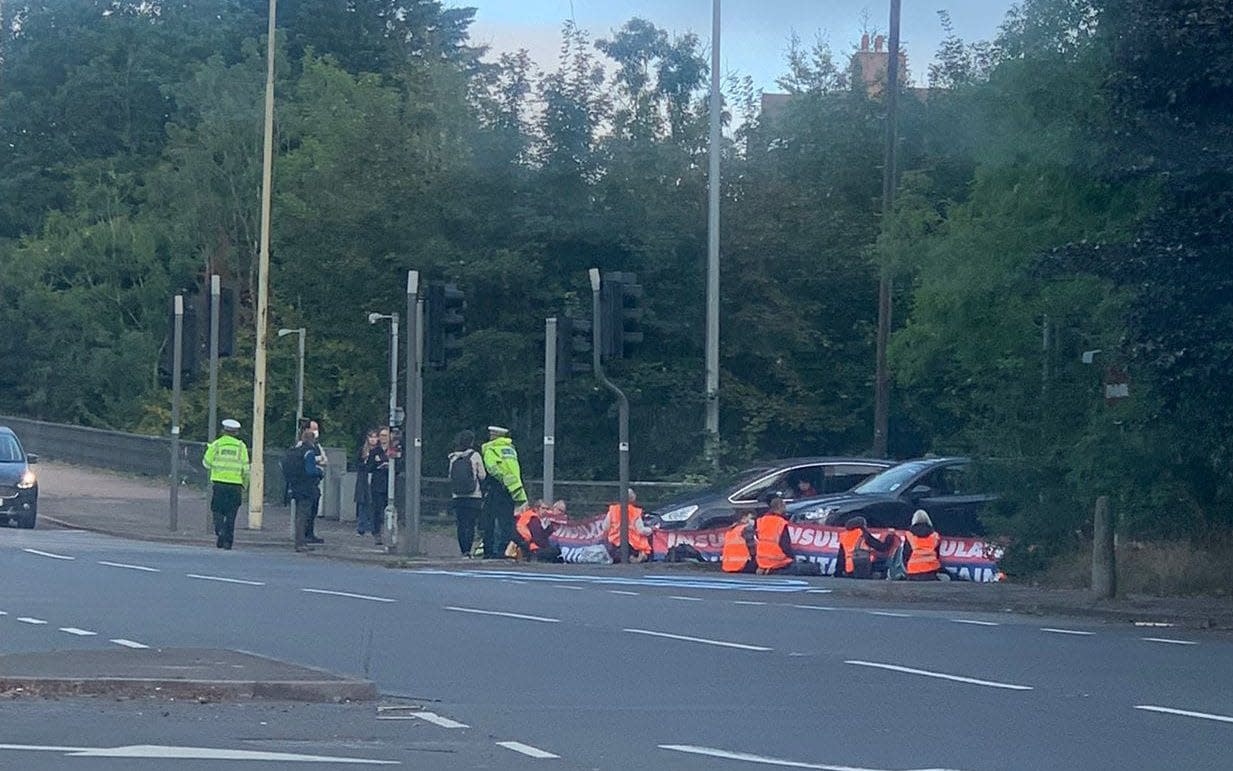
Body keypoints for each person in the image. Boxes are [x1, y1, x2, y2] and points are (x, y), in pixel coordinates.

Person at [202, 418, 250, 550]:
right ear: (236, 432)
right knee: (231, 513)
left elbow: (206, 463)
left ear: (224, 430)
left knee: (217, 510)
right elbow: (246, 470)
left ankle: (220, 531)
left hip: (219, 483)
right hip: (235, 485)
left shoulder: (216, 445)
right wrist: (245, 485)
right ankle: (228, 541)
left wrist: (216, 467)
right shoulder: (241, 447)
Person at [481, 426, 527, 559]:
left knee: (489, 519)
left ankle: (489, 550)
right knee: (507, 520)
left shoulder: (491, 449)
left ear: (493, 436)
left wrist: (502, 479)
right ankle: (506, 549)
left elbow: (492, 468)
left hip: (496, 488)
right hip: (511, 489)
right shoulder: (511, 450)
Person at [448, 429, 486, 558]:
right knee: (470, 524)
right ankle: (468, 551)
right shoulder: (475, 456)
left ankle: (462, 549)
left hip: (457, 496)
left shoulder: (453, 457)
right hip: (473, 496)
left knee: (461, 524)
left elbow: (450, 476)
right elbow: (482, 475)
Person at [290, 428, 324, 551]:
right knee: (303, 515)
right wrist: (319, 472)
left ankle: (299, 541)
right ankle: (300, 543)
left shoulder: (296, 451)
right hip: (307, 488)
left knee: (299, 514)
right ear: (312, 440)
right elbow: (311, 471)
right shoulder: (309, 452)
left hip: (296, 486)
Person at [604, 489, 653, 563]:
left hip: (615, 543)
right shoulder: (635, 511)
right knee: (647, 535)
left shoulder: (612, 510)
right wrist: (651, 529)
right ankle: (640, 555)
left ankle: (626, 557)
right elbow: (641, 530)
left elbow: (605, 527)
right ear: (633, 498)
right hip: (632, 544)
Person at [366, 426, 395, 546]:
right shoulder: (374, 451)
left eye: (385, 436)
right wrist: (378, 463)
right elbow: (369, 467)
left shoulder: (393, 451)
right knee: (377, 510)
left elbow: (399, 466)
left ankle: (390, 532)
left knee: (389, 508)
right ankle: (376, 533)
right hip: (377, 484)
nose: (383, 438)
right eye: (381, 436)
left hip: (390, 483)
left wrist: (389, 466)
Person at [902, 509, 949, 581]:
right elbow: (937, 554)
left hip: (913, 570)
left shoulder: (909, 534)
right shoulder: (934, 535)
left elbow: (906, 553)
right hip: (931, 570)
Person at [755, 495, 797, 574]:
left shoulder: (761, 521)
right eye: (784, 506)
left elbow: (757, 539)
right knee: (804, 568)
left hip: (761, 559)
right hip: (778, 560)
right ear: (780, 507)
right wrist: (792, 557)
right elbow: (785, 544)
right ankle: (772, 571)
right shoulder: (781, 522)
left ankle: (764, 568)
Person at [354, 430, 377, 535]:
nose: (373, 439)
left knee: (372, 502)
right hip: (363, 478)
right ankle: (361, 526)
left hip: (374, 477)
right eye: (371, 437)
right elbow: (357, 463)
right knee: (363, 502)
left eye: (375, 437)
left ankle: (372, 525)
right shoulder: (362, 450)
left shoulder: (378, 451)